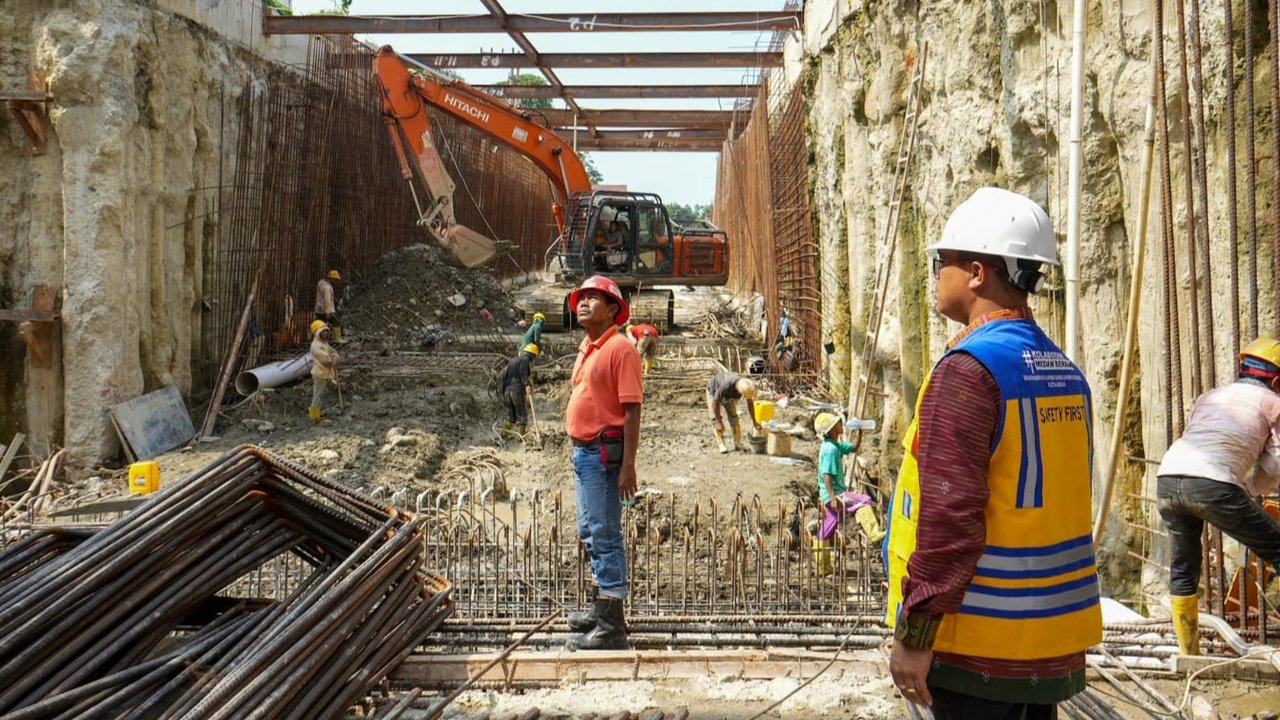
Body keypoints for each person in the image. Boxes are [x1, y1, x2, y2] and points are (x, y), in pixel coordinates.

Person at [885, 187, 1100, 717]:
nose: (936, 274)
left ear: (978, 272)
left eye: (943, 261)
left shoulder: (968, 372)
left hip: (977, 643)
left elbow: (949, 514)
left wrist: (916, 631)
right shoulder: (1063, 371)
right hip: (1047, 642)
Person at [1155, 337, 1280, 656]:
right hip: (1212, 484)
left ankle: (1190, 655)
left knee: (1184, 568)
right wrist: (1251, 488)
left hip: (1168, 477)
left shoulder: (1210, 396)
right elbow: (1275, 461)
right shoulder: (1273, 403)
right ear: (1277, 381)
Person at [563, 275, 643, 651]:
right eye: (581, 297)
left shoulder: (621, 348)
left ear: (613, 309)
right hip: (583, 453)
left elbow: (631, 410)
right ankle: (601, 609)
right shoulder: (588, 346)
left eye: (593, 298)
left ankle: (611, 627)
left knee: (605, 533)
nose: (583, 303)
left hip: (601, 455)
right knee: (590, 531)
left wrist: (628, 465)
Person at [811, 412, 884, 576]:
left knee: (829, 526)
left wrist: (860, 432)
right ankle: (874, 534)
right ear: (830, 430)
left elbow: (854, 448)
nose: (840, 426)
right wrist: (832, 497)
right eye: (837, 424)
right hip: (835, 493)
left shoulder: (833, 444)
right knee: (864, 501)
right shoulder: (830, 450)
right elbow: (827, 475)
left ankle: (823, 567)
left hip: (831, 494)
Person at [706, 372, 761, 453]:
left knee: (733, 416)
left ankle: (737, 443)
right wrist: (718, 421)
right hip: (713, 391)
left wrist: (754, 421)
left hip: (728, 395)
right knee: (715, 419)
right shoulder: (726, 386)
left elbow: (750, 403)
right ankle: (721, 444)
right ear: (739, 391)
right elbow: (715, 402)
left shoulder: (746, 385)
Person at [498, 343, 539, 440]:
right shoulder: (525, 360)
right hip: (517, 391)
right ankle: (521, 438)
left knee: (511, 416)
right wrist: (527, 385)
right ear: (533, 355)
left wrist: (503, 393)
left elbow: (504, 378)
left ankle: (503, 436)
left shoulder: (512, 361)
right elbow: (523, 375)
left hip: (507, 391)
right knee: (522, 415)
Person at [308, 320, 339, 424]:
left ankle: (316, 415)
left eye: (326, 331)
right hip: (320, 374)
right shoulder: (316, 346)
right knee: (317, 396)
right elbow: (326, 360)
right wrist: (333, 359)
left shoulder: (324, 343)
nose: (325, 334)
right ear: (317, 333)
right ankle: (313, 418)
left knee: (319, 395)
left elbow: (332, 351)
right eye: (323, 332)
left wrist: (334, 354)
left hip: (323, 373)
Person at [315, 269, 344, 343]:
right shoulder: (327, 287)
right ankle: (338, 338)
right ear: (332, 278)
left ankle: (319, 339)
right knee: (336, 322)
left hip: (319, 309)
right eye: (336, 280)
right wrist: (328, 312)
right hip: (327, 310)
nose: (336, 282)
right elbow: (327, 300)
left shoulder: (321, 282)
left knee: (320, 325)